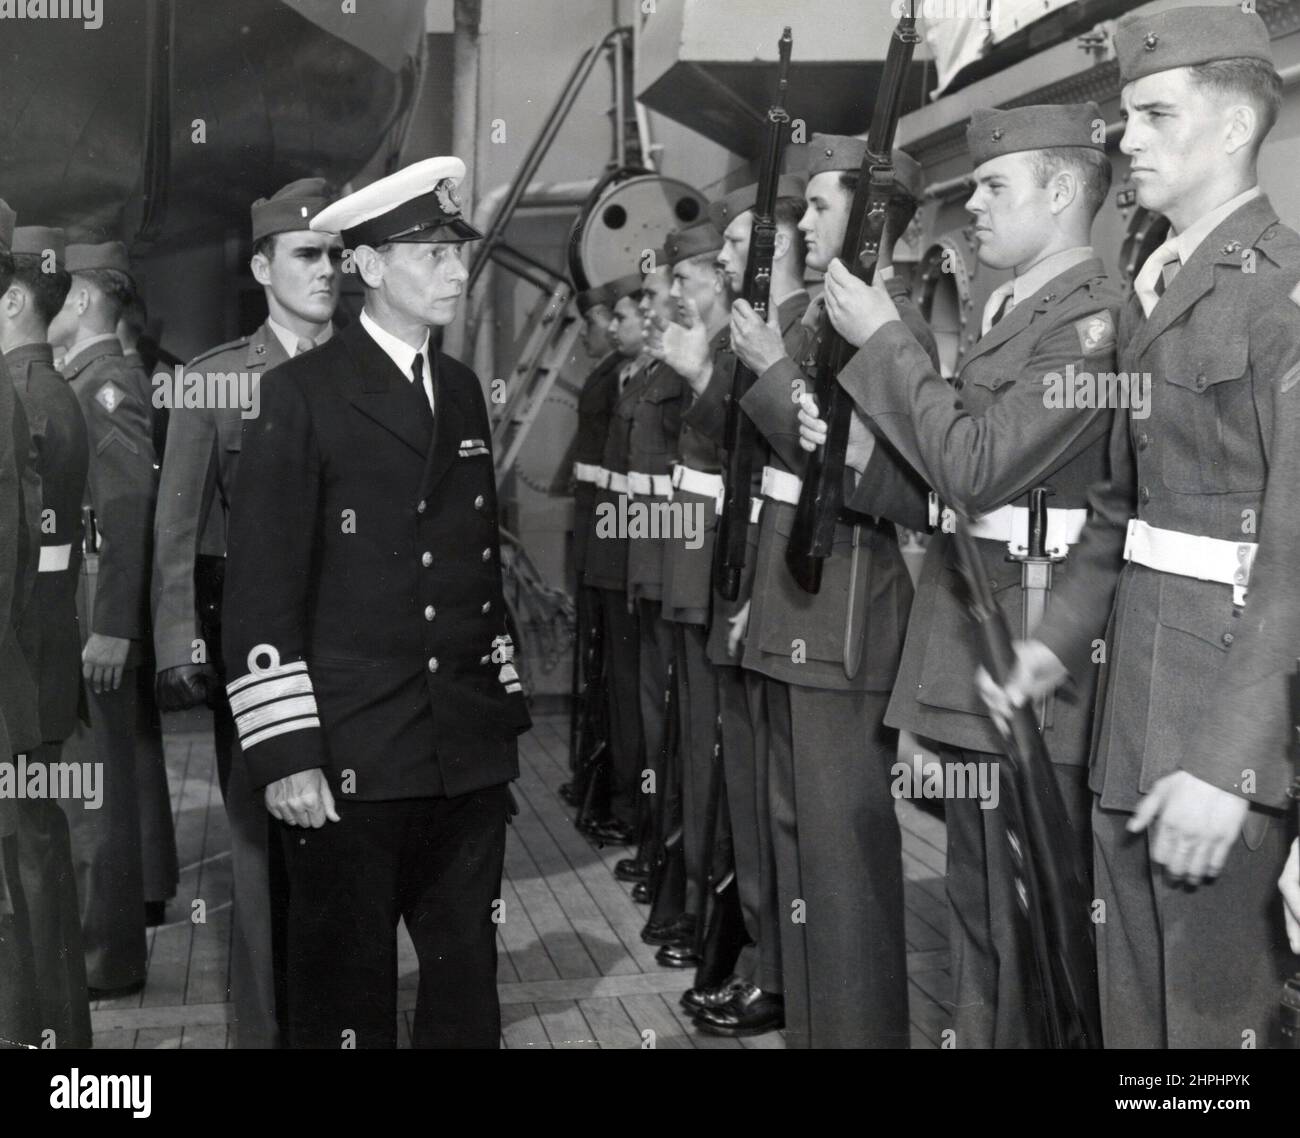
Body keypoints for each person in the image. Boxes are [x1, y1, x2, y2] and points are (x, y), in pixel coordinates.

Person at [984, 4, 1300, 1048]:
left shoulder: (1282, 297)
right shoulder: (1150, 294)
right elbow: (1122, 514)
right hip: (1129, 720)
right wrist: (1051, 642)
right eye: (1126, 116)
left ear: (1231, 129)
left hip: (1219, 726)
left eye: (1153, 115)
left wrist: (1229, 761)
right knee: (1131, 1018)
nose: (1127, 141)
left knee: (1210, 1029)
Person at [798, 103, 1121, 1047]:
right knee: (984, 924)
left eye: (992, 186)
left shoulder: (1090, 324)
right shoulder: (1008, 308)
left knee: (1031, 938)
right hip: (978, 634)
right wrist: (855, 456)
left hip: (1033, 646)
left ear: (1060, 192)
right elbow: (958, 491)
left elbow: (979, 467)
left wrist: (887, 340)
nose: (969, 205)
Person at [223, 156, 532, 1048]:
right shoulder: (298, 397)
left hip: (464, 756)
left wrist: (501, 712)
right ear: (363, 266)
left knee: (465, 995)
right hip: (350, 761)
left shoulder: (465, 389)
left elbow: (477, 570)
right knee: (343, 1002)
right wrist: (286, 757)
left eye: (456, 250)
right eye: (429, 251)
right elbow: (260, 596)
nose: (454, 270)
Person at [710, 137, 936, 1045]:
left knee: (842, 868)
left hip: (840, 618)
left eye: (820, 208)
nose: (801, 223)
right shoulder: (815, 324)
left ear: (872, 221)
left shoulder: (895, 328)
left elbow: (895, 485)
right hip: (787, 607)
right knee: (793, 843)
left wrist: (767, 370)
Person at [151, 178, 341, 1047]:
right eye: (306, 255)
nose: (326, 270)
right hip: (255, 646)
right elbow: (177, 528)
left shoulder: (369, 369)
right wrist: (177, 641)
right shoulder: (213, 381)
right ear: (264, 266)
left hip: (360, 640)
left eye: (336, 254)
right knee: (260, 839)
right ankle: (267, 1032)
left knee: (354, 841)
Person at [678, 173, 808, 1022]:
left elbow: (801, 470)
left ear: (782, 242)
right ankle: (757, 951)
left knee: (777, 797)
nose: (722, 258)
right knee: (754, 792)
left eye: (736, 243)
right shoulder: (752, 335)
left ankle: (774, 965)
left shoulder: (798, 334)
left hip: (776, 584)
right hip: (741, 570)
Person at [47, 240, 168, 996]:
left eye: (56, 291)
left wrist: (114, 623)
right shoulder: (82, 380)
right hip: (79, 602)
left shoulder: (106, 386)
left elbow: (125, 508)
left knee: (95, 794)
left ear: (85, 300)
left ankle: (104, 961)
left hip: (94, 606)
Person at [2, 223, 93, 1046]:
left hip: (15, 671)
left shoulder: (16, 395)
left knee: (23, 863)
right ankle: (57, 1036)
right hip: (45, 656)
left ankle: (43, 1039)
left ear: (11, 298)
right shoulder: (57, 390)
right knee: (36, 852)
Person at [582, 275, 655, 855]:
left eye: (627, 315)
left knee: (638, 693)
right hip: (616, 553)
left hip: (643, 561)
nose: (615, 326)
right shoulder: (622, 376)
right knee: (621, 685)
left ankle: (636, 811)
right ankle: (622, 801)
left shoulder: (654, 378)